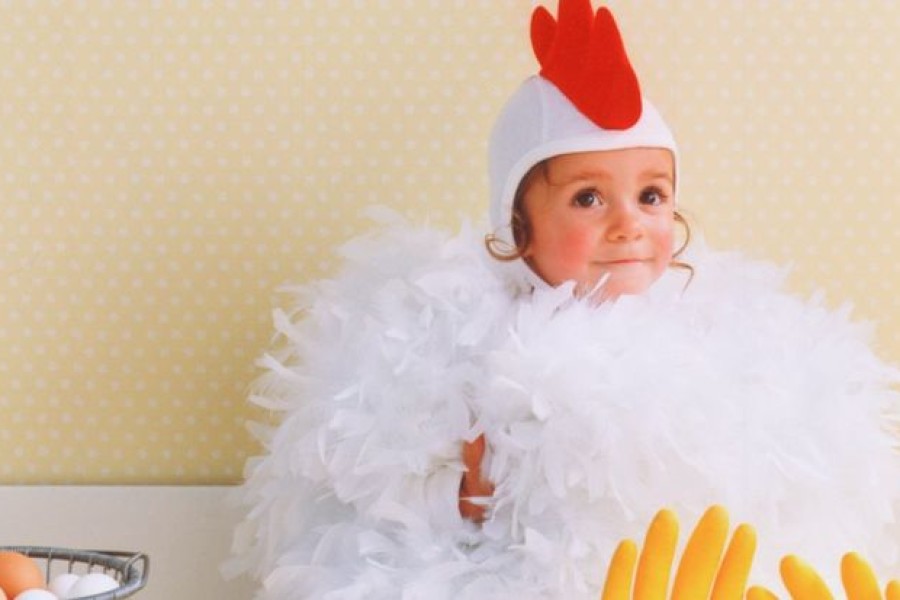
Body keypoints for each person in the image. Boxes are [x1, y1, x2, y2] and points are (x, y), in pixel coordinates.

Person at [229, 2, 900, 598]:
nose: (629, 223)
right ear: (517, 231)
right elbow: (389, 489)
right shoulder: (481, 347)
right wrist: (457, 493)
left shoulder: (726, 333)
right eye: (588, 197)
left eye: (652, 195)